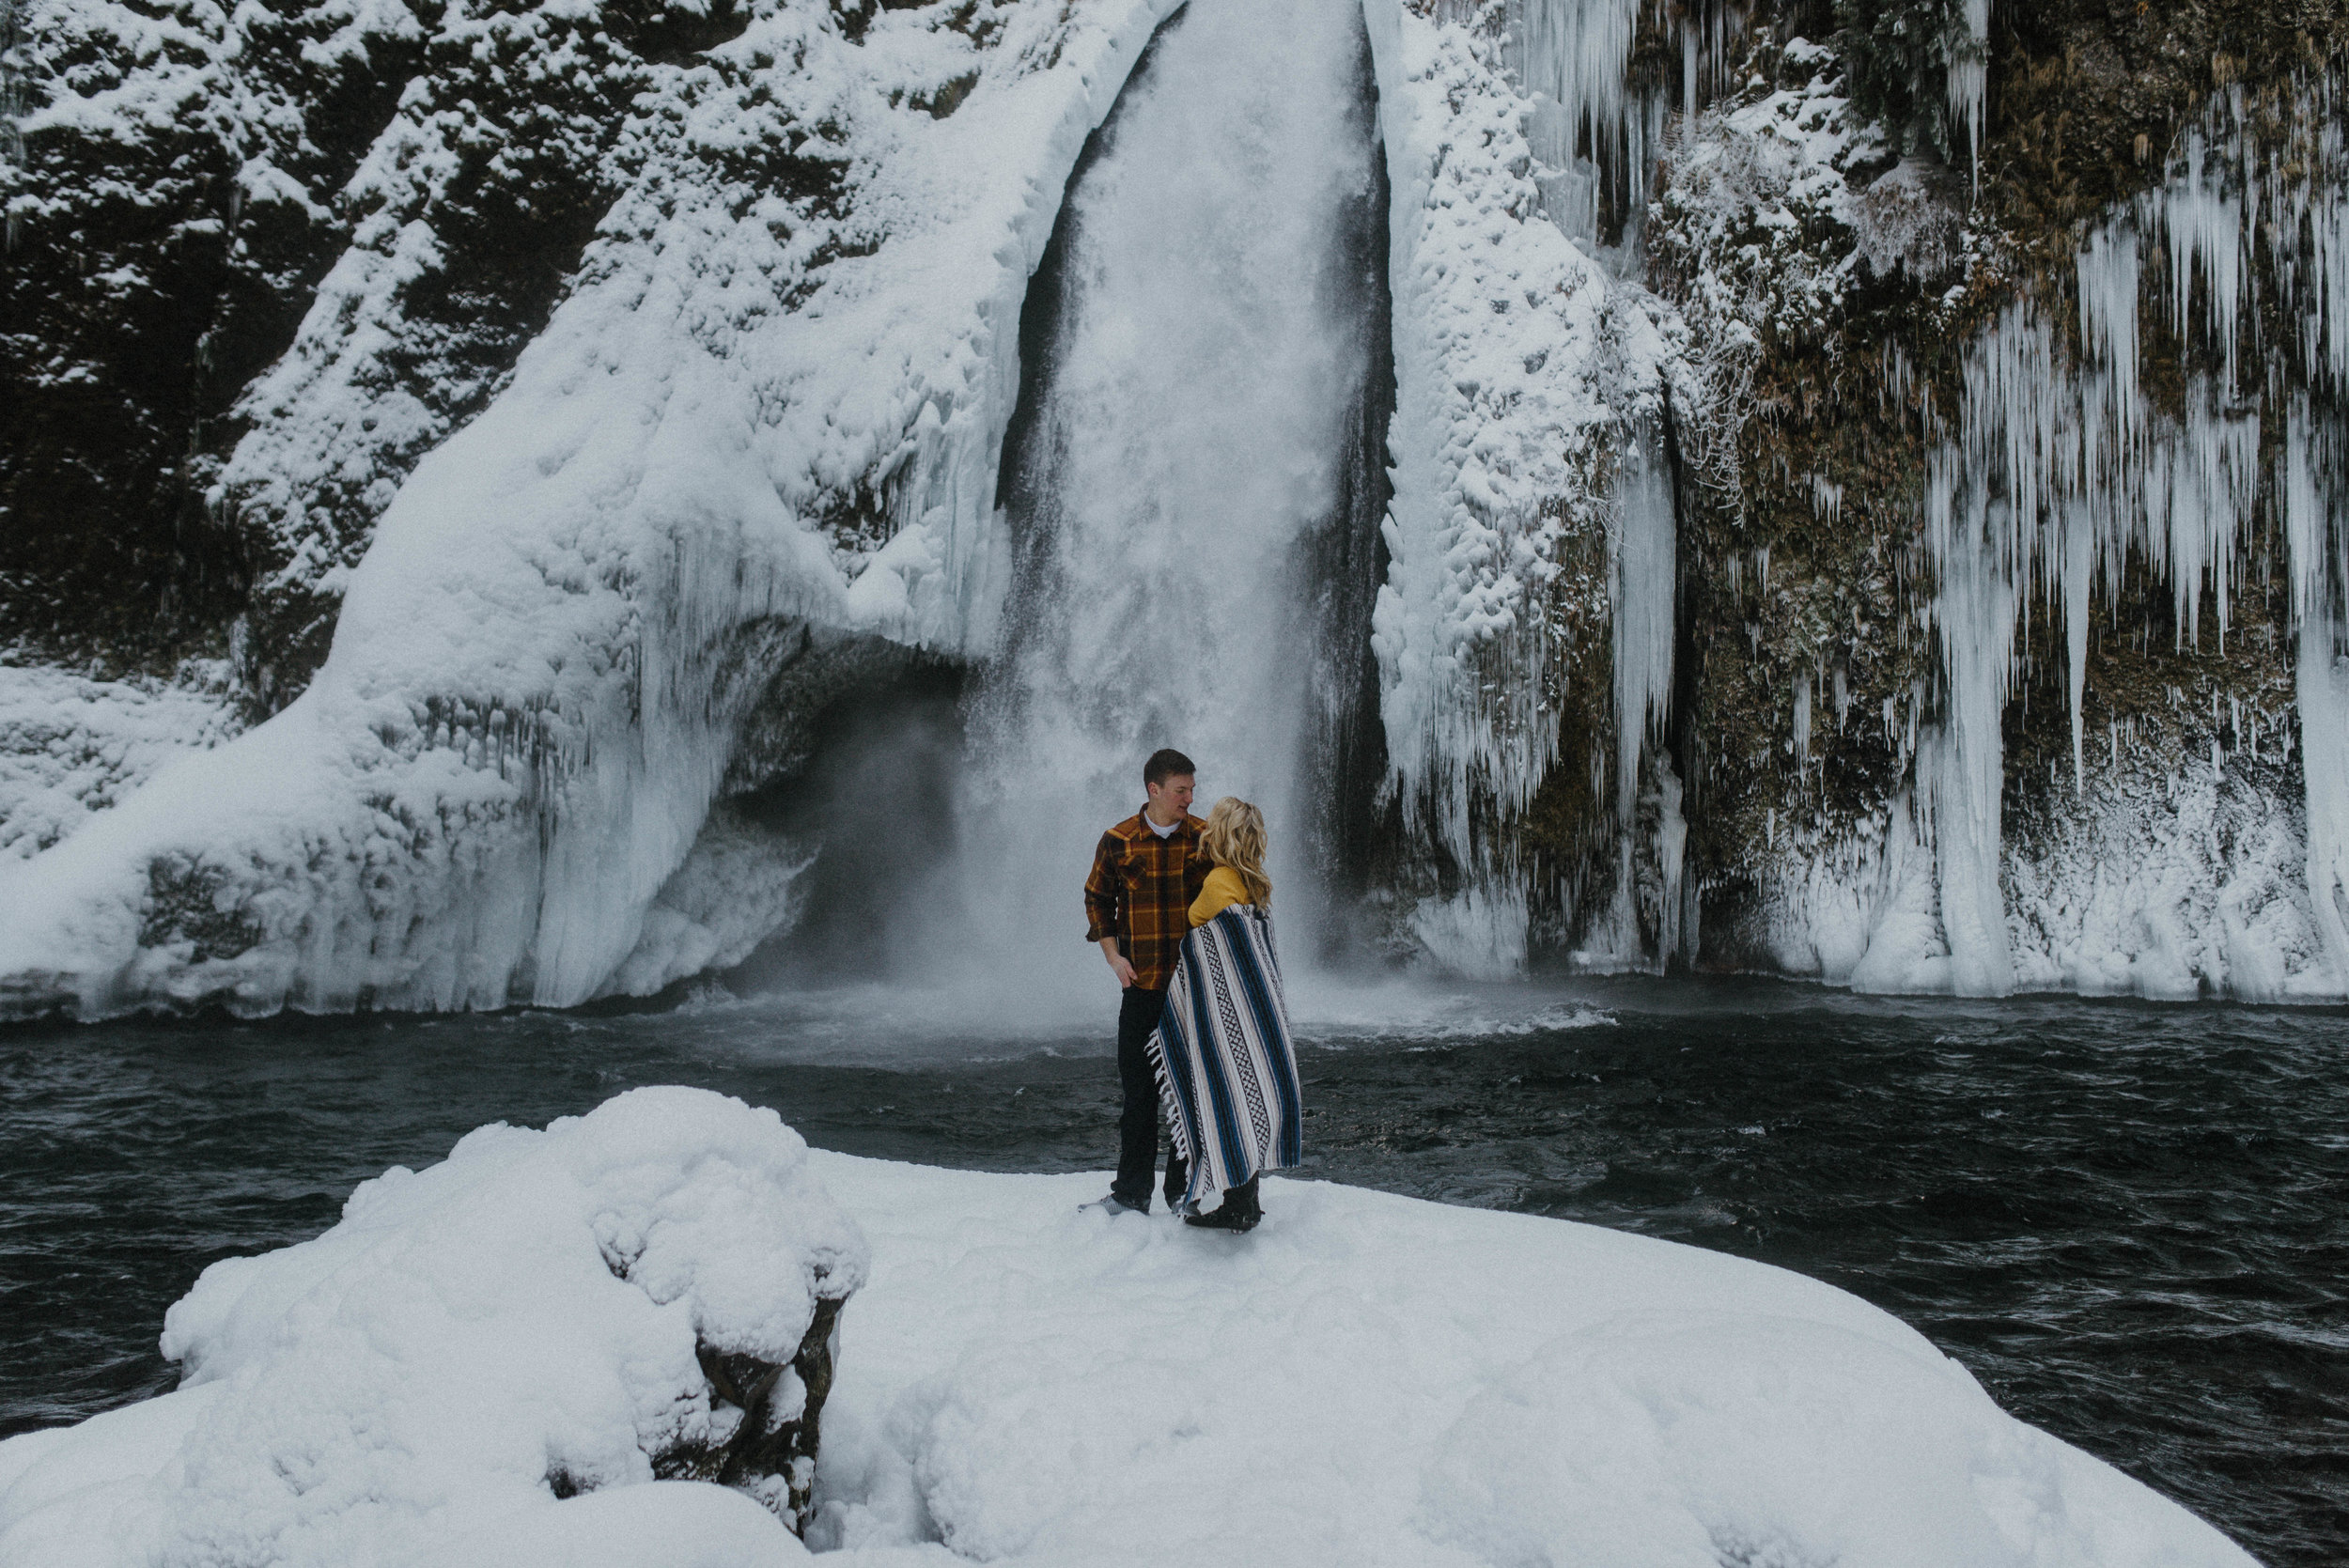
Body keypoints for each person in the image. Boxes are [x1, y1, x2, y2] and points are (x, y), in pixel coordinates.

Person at [1149, 796, 1301, 1233]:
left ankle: (1234, 1205)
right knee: (1243, 1091)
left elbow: (1216, 944)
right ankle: (1243, 1200)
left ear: (1222, 834)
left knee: (1224, 1090)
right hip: (1250, 1014)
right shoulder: (1253, 882)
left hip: (1225, 1015)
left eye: (1211, 826)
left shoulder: (1218, 883)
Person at [1081, 748, 1209, 1214]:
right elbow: (1097, 899)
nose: (1190, 799)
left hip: (1193, 991)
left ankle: (1184, 1194)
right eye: (1181, 790)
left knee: (1188, 1096)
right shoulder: (1118, 840)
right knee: (1138, 1097)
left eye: (1192, 789)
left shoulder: (1205, 838)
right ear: (1154, 790)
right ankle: (1131, 1195)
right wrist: (1113, 957)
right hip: (1140, 989)